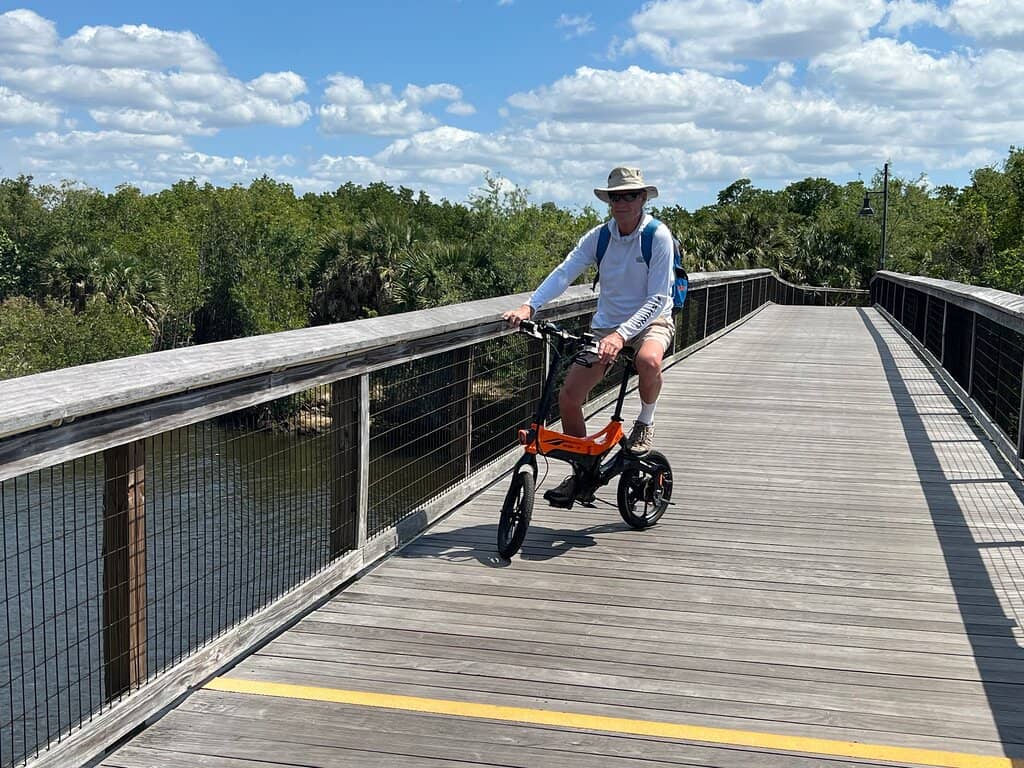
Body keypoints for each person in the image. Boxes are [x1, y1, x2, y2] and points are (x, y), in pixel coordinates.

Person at [503, 166, 675, 504]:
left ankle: (645, 421)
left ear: (642, 198)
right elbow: (565, 272)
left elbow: (659, 298)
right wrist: (529, 307)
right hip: (605, 327)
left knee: (647, 359)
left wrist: (623, 335)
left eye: (629, 195)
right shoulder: (600, 236)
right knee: (569, 396)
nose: (622, 202)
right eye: (616, 196)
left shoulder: (657, 236)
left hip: (652, 321)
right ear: (608, 200)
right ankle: (582, 471)